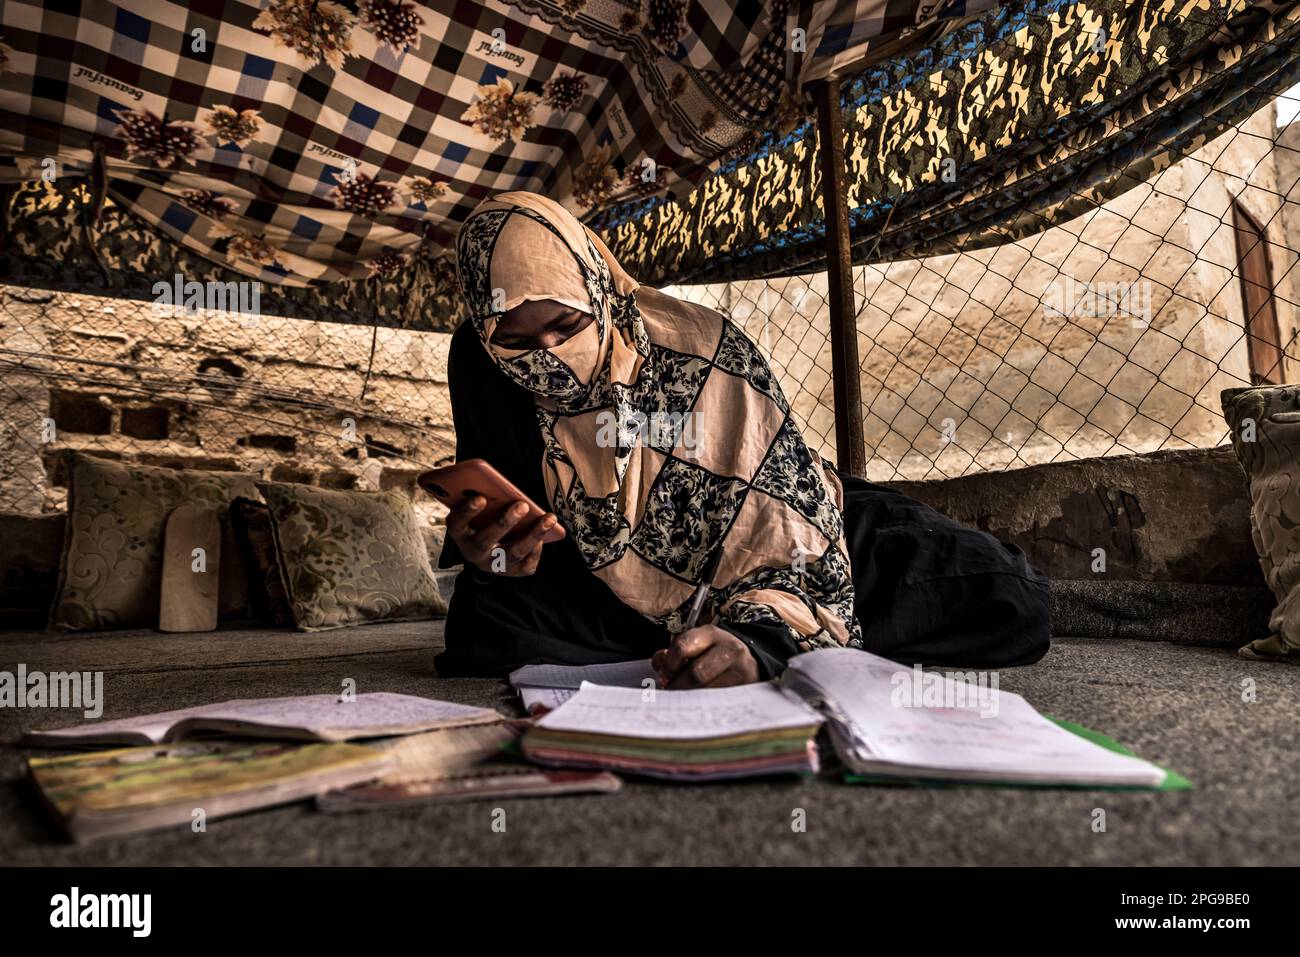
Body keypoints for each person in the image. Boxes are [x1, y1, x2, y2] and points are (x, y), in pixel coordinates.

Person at [434, 190, 1050, 688]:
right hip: (601, 569)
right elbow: (508, 510)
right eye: (516, 342)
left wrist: (762, 640)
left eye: (566, 326)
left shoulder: (699, 348)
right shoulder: (478, 359)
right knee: (482, 633)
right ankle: (705, 635)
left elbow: (773, 515)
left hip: (784, 515)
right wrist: (492, 559)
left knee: (1008, 600)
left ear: (598, 290)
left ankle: (766, 634)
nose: (548, 356)